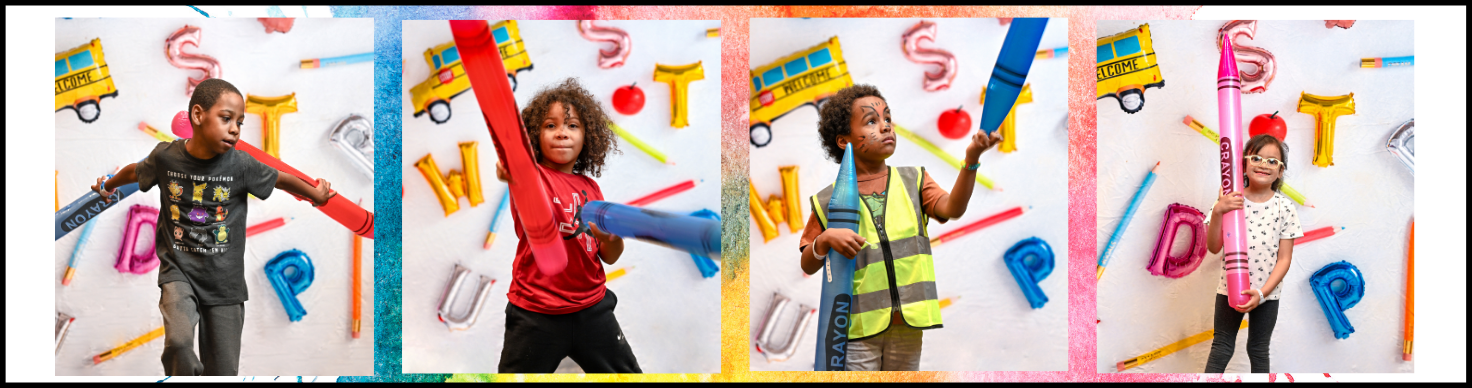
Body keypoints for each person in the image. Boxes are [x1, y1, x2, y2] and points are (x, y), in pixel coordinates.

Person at [91, 78, 335, 376]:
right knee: (179, 344)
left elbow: (281, 178)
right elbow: (135, 170)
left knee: (222, 371)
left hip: (225, 284)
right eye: (226, 118)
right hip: (178, 272)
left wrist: (316, 195)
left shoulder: (242, 165)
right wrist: (108, 185)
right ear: (197, 116)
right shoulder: (166, 158)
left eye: (240, 122)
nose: (235, 129)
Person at [798, 84, 1000, 371]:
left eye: (887, 119)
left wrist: (971, 159)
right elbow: (808, 264)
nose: (886, 127)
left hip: (910, 322)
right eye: (872, 121)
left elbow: (953, 208)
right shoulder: (827, 200)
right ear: (844, 141)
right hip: (858, 328)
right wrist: (825, 239)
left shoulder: (914, 180)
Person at [493, 78, 639, 373]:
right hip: (535, 314)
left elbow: (609, 255)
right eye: (551, 125)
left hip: (593, 310)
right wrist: (511, 166)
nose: (562, 133)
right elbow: (514, 169)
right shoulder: (532, 175)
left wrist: (609, 237)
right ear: (535, 134)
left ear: (588, 136)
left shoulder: (591, 187)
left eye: (572, 126)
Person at [1203, 134, 1304, 373]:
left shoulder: (1285, 207)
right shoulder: (1229, 202)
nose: (1263, 164)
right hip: (1230, 288)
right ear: (1244, 165)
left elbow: (1285, 259)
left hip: (1267, 293)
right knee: (1222, 346)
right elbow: (1214, 247)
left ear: (1280, 172)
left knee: (1258, 348)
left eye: (1272, 161)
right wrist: (1218, 210)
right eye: (1257, 158)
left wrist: (1262, 292)